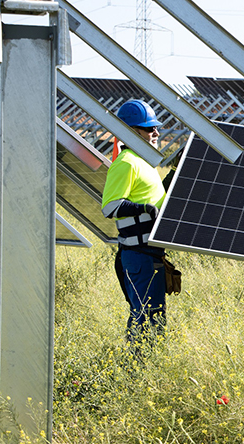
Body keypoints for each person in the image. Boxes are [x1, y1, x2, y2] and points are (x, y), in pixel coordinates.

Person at [102, 99, 167, 344]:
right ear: (131, 131)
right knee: (145, 318)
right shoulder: (126, 163)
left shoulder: (144, 162)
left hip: (150, 255)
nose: (156, 133)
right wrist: (145, 208)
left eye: (155, 128)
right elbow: (110, 207)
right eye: (149, 128)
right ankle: (136, 369)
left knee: (154, 318)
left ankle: (148, 368)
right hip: (138, 255)